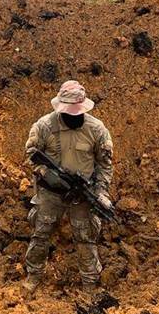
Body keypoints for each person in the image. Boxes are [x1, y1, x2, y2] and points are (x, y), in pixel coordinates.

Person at [23, 80, 113, 297]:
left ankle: (90, 285)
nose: (73, 116)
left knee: (86, 236)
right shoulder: (44, 127)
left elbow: (104, 165)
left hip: (82, 194)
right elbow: (31, 156)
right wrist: (49, 176)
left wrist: (100, 192)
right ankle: (33, 276)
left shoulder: (97, 130)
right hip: (50, 193)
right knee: (41, 233)